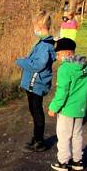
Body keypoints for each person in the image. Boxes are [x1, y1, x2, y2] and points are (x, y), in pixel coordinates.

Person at [48, 38, 87, 171]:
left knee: (64, 136)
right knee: (77, 135)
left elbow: (62, 92)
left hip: (66, 109)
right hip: (80, 108)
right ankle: (77, 160)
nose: (57, 57)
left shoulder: (64, 69)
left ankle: (63, 162)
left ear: (68, 54)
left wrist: (53, 107)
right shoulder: (85, 66)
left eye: (58, 54)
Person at [15, 11, 56, 152]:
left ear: (40, 26)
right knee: (34, 111)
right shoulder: (43, 42)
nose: (34, 29)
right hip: (34, 83)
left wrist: (21, 61)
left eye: (35, 26)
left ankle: (39, 142)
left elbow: (38, 65)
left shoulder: (45, 46)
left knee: (37, 112)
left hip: (36, 84)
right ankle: (36, 138)